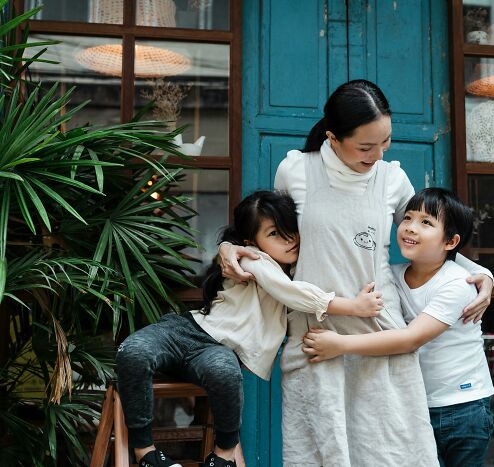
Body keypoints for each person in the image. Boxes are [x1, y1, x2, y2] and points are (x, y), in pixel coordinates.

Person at [219, 79, 494, 466]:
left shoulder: (393, 179)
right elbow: (267, 234)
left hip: (378, 329)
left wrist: (480, 271)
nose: (378, 155)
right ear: (333, 137)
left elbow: (428, 238)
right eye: (366, 147)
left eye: (385, 142)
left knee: (391, 453)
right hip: (314, 337)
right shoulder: (295, 170)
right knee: (317, 453)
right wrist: (229, 247)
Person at [116, 191, 383, 467]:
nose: (289, 239)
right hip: (186, 331)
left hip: (217, 350)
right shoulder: (252, 260)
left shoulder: (295, 269)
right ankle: (145, 452)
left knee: (227, 375)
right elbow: (291, 293)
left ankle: (222, 457)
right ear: (250, 242)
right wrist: (354, 306)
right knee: (132, 351)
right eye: (275, 233)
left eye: (291, 229)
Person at [301, 188, 494, 467]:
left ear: (451, 241)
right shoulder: (392, 276)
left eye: (426, 223)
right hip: (414, 403)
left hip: (463, 407)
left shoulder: (457, 284)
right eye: (408, 218)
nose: (411, 228)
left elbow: (409, 339)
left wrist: (340, 345)